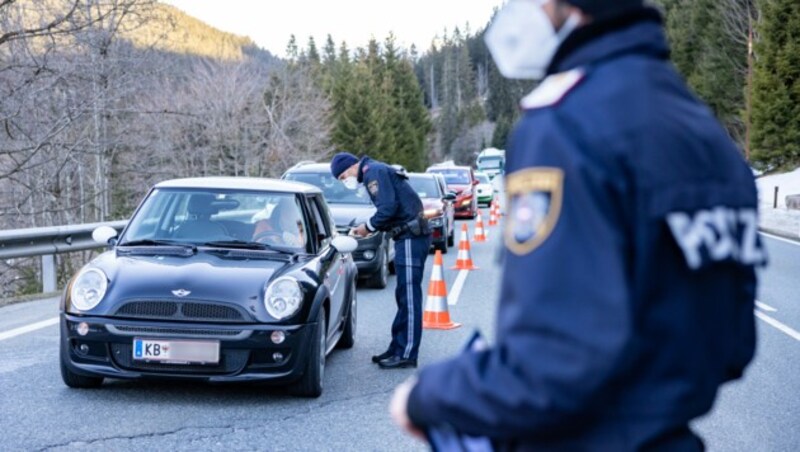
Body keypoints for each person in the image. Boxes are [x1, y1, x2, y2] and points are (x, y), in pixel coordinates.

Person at [390, 0, 766, 450]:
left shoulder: (566, 124)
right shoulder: (702, 130)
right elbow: (732, 345)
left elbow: (549, 363)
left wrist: (428, 397)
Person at [331, 152, 432, 369]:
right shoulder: (375, 170)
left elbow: (388, 208)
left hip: (410, 235)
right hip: (406, 234)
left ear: (350, 167)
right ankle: (397, 347)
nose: (344, 182)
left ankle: (406, 353)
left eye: (342, 177)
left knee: (409, 296)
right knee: (402, 295)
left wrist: (367, 227)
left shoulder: (372, 172)